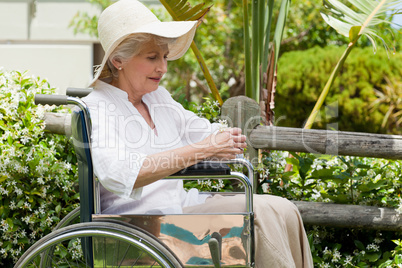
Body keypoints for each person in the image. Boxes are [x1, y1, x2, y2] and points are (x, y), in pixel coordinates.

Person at [83, 0, 313, 267]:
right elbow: (120, 174)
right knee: (260, 215)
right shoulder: (98, 106)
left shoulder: (157, 97)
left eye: (165, 57)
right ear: (118, 60)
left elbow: (199, 130)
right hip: (139, 224)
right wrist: (204, 149)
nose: (163, 68)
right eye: (152, 58)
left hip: (179, 209)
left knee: (282, 209)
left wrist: (226, 138)